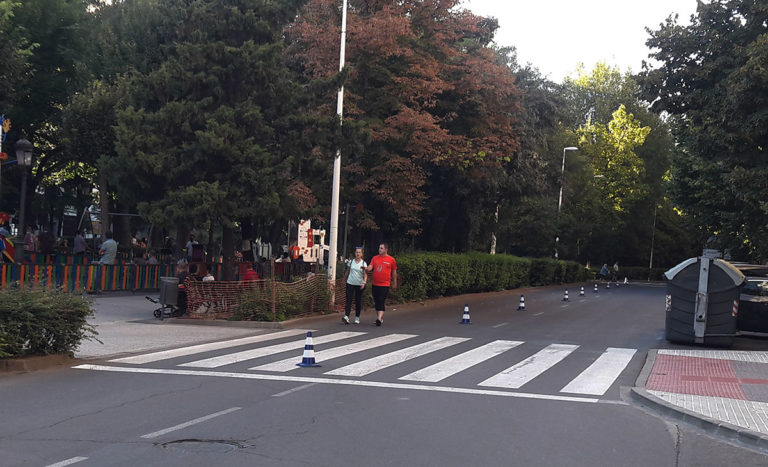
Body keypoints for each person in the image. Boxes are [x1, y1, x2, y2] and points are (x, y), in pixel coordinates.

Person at [365, 243, 397, 326]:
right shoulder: (375, 258)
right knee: (376, 301)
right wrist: (367, 269)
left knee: (381, 300)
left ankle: (379, 318)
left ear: (386, 250)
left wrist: (394, 282)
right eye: (379, 248)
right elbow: (370, 267)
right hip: (375, 283)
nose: (380, 249)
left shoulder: (391, 260)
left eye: (381, 248)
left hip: (385, 284)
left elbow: (394, 272)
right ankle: (379, 318)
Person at [342, 246, 368, 325]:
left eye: (359, 252)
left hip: (359, 284)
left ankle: (357, 317)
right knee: (349, 300)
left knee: (358, 301)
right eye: (356, 252)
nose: (358, 254)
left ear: (362, 254)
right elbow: (348, 271)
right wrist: (344, 279)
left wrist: (364, 283)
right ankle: (346, 316)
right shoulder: (351, 262)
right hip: (350, 283)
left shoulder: (364, 263)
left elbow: (365, 275)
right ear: (355, 253)